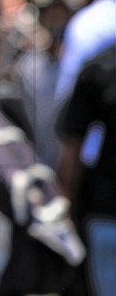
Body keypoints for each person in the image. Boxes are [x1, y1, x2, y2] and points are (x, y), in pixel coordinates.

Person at [56, 44, 116, 296]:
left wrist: (65, 206)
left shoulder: (102, 64)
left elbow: (73, 144)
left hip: (106, 208)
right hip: (106, 212)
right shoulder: (101, 66)